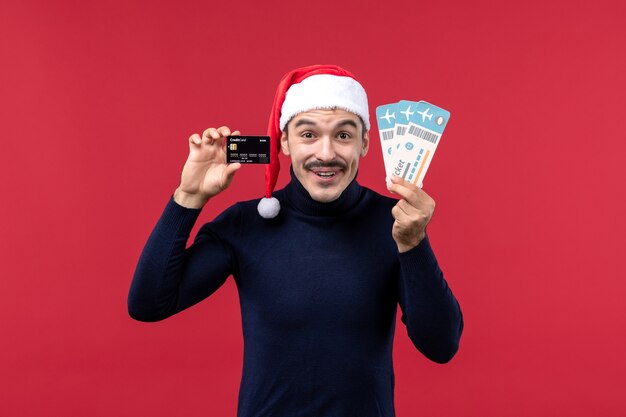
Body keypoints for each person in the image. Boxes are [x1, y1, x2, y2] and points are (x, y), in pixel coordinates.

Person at [128, 64, 463, 417]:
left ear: (365, 143)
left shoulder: (395, 223)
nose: (326, 153)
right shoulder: (246, 223)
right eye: (308, 135)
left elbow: (442, 346)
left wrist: (414, 244)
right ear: (284, 141)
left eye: (344, 136)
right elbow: (148, 304)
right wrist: (188, 196)